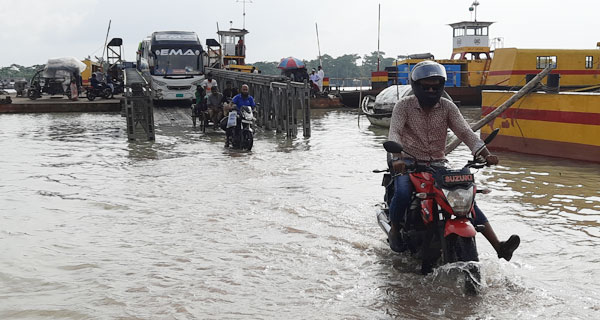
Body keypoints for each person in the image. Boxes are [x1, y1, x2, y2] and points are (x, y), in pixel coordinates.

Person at [387, 60, 520, 261]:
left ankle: (499, 246)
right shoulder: (403, 106)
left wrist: (485, 154)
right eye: (426, 86)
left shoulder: (447, 107)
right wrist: (397, 157)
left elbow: (466, 132)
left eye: (436, 86)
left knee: (464, 198)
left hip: (439, 163)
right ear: (416, 86)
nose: (431, 90)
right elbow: (394, 133)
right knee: (404, 192)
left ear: (442, 86)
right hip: (408, 162)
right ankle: (395, 230)